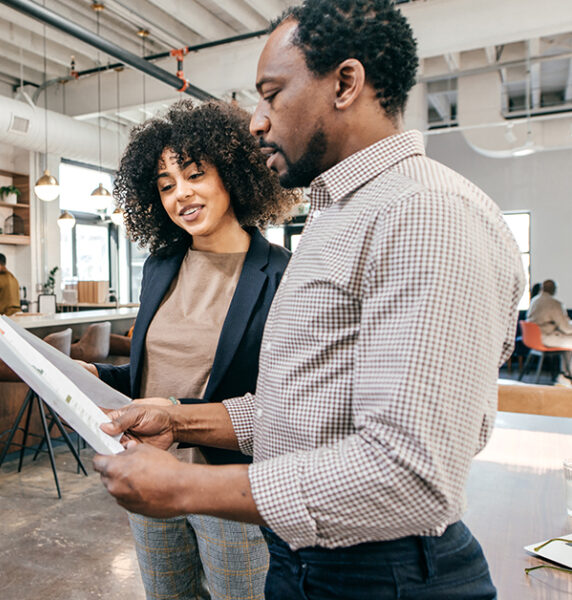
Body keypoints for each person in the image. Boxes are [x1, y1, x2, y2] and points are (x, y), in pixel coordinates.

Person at [92, 1, 525, 599]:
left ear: (345, 83)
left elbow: (412, 476)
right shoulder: (336, 217)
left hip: (382, 573)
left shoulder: (424, 214)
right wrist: (178, 418)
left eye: (272, 94)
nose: (257, 122)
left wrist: (187, 489)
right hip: (307, 560)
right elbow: (297, 414)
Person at [87, 99, 295, 600]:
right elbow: (151, 374)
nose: (181, 194)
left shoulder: (282, 275)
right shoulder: (160, 266)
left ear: (233, 175)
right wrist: (87, 373)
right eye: (165, 186)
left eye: (195, 175)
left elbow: (282, 404)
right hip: (149, 477)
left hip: (229, 487)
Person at [526, 279, 572, 383]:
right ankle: (566, 375)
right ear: (554, 290)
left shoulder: (534, 300)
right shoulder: (554, 303)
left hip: (533, 338)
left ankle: (565, 373)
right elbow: (565, 328)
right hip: (545, 338)